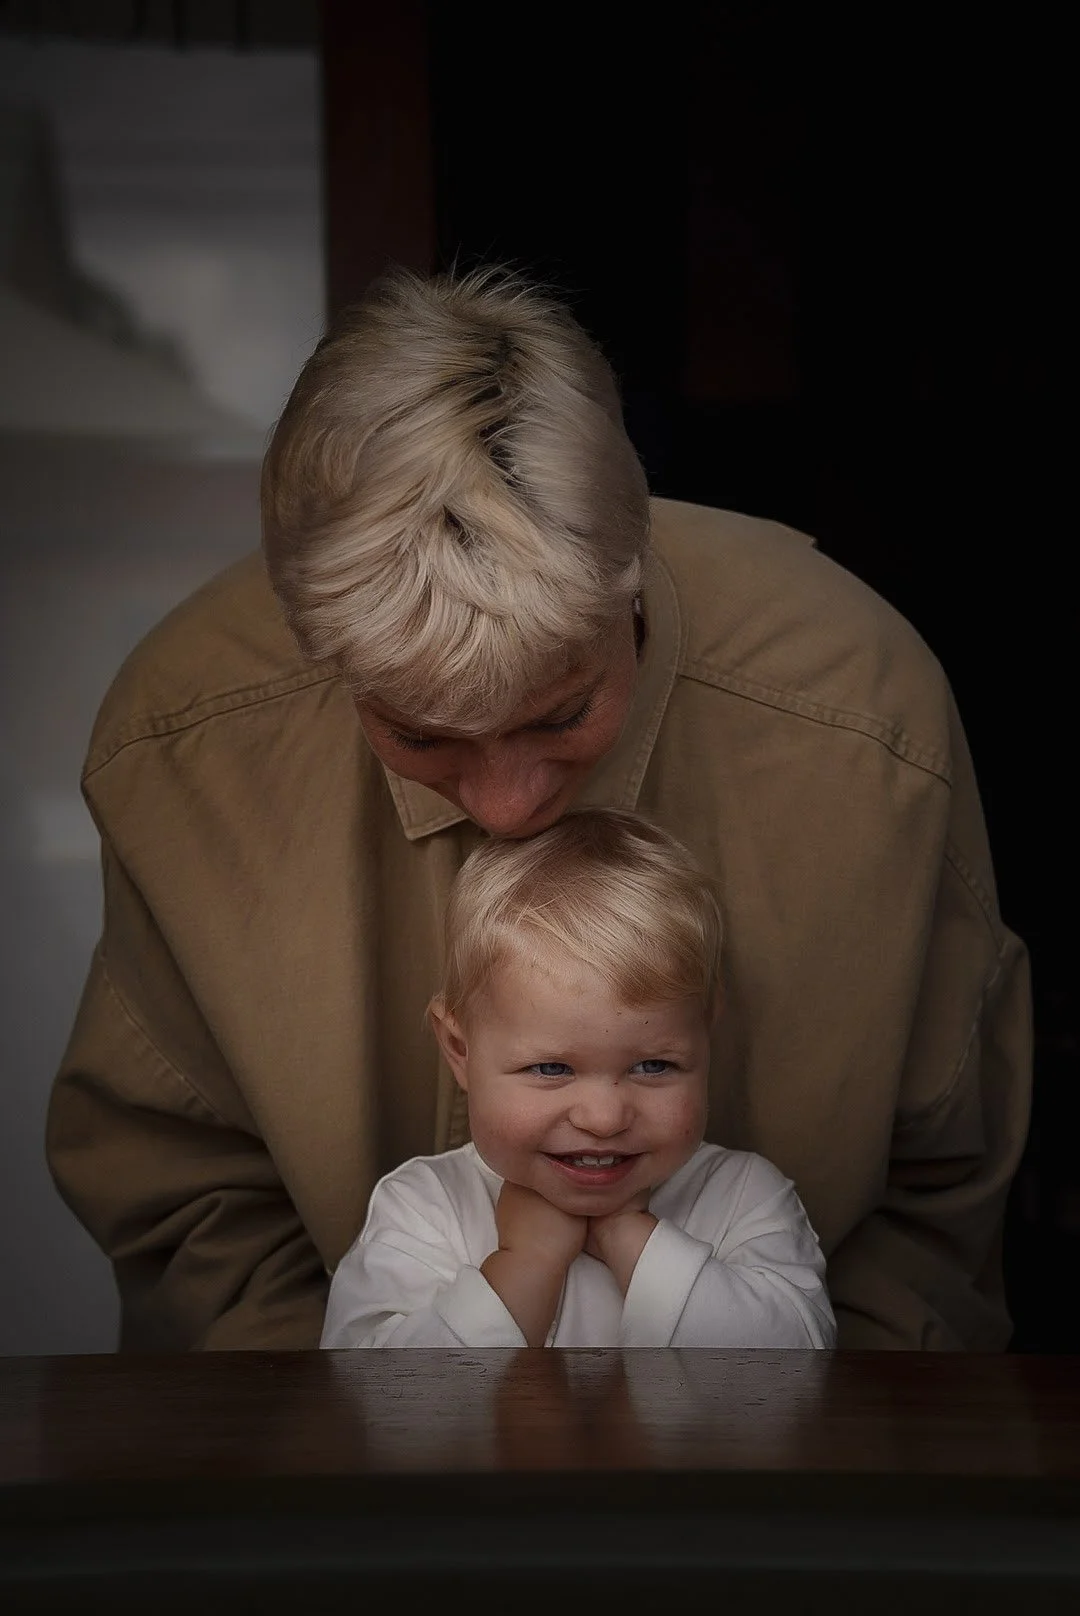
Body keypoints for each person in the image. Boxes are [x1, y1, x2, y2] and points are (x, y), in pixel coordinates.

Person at [46, 266, 1031, 1353]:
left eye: (561, 714)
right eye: (421, 735)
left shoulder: (865, 719)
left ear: (632, 582)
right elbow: (184, 1201)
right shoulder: (181, 739)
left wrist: (795, 1458)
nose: (512, 807)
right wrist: (354, 1459)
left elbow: (941, 1194)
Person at [320, 808, 836, 1350]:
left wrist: (632, 1241)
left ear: (705, 1035)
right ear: (459, 1049)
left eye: (653, 1066)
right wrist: (526, 1266)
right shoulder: (423, 1208)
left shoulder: (744, 1198)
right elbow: (376, 1403)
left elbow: (795, 1377)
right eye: (551, 1068)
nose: (604, 1118)